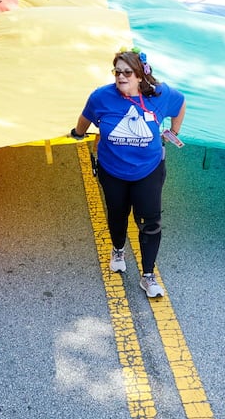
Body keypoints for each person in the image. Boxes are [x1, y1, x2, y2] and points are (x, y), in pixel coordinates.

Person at [67, 51, 183, 299]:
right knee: (117, 214)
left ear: (140, 75)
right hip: (113, 171)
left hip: (148, 170)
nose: (121, 76)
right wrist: (78, 132)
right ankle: (118, 250)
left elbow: (180, 103)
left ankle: (148, 275)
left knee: (150, 222)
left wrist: (173, 131)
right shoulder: (102, 97)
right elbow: (85, 119)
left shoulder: (160, 95)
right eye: (117, 71)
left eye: (127, 72)